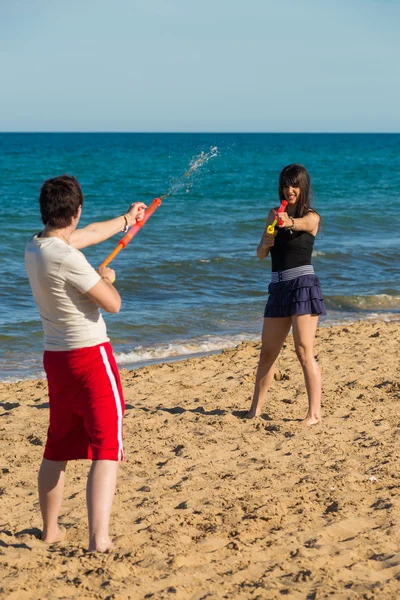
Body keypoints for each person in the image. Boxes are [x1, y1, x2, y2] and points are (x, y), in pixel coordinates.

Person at [25, 174, 146, 551]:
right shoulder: (68, 258)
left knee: (57, 446)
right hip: (90, 357)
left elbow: (90, 234)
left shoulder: (37, 245)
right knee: (107, 447)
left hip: (56, 360)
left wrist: (127, 219)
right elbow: (112, 303)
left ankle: (50, 531)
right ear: (75, 210)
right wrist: (104, 277)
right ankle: (100, 539)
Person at [246, 164, 326, 425]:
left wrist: (288, 222)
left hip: (303, 285)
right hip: (277, 288)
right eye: (285, 185)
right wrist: (264, 243)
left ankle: (314, 414)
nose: (289, 190)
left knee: (303, 350)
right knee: (267, 352)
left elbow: (302, 224)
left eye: (294, 185)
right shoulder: (273, 214)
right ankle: (254, 410)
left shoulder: (312, 217)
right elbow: (260, 253)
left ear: (303, 187)